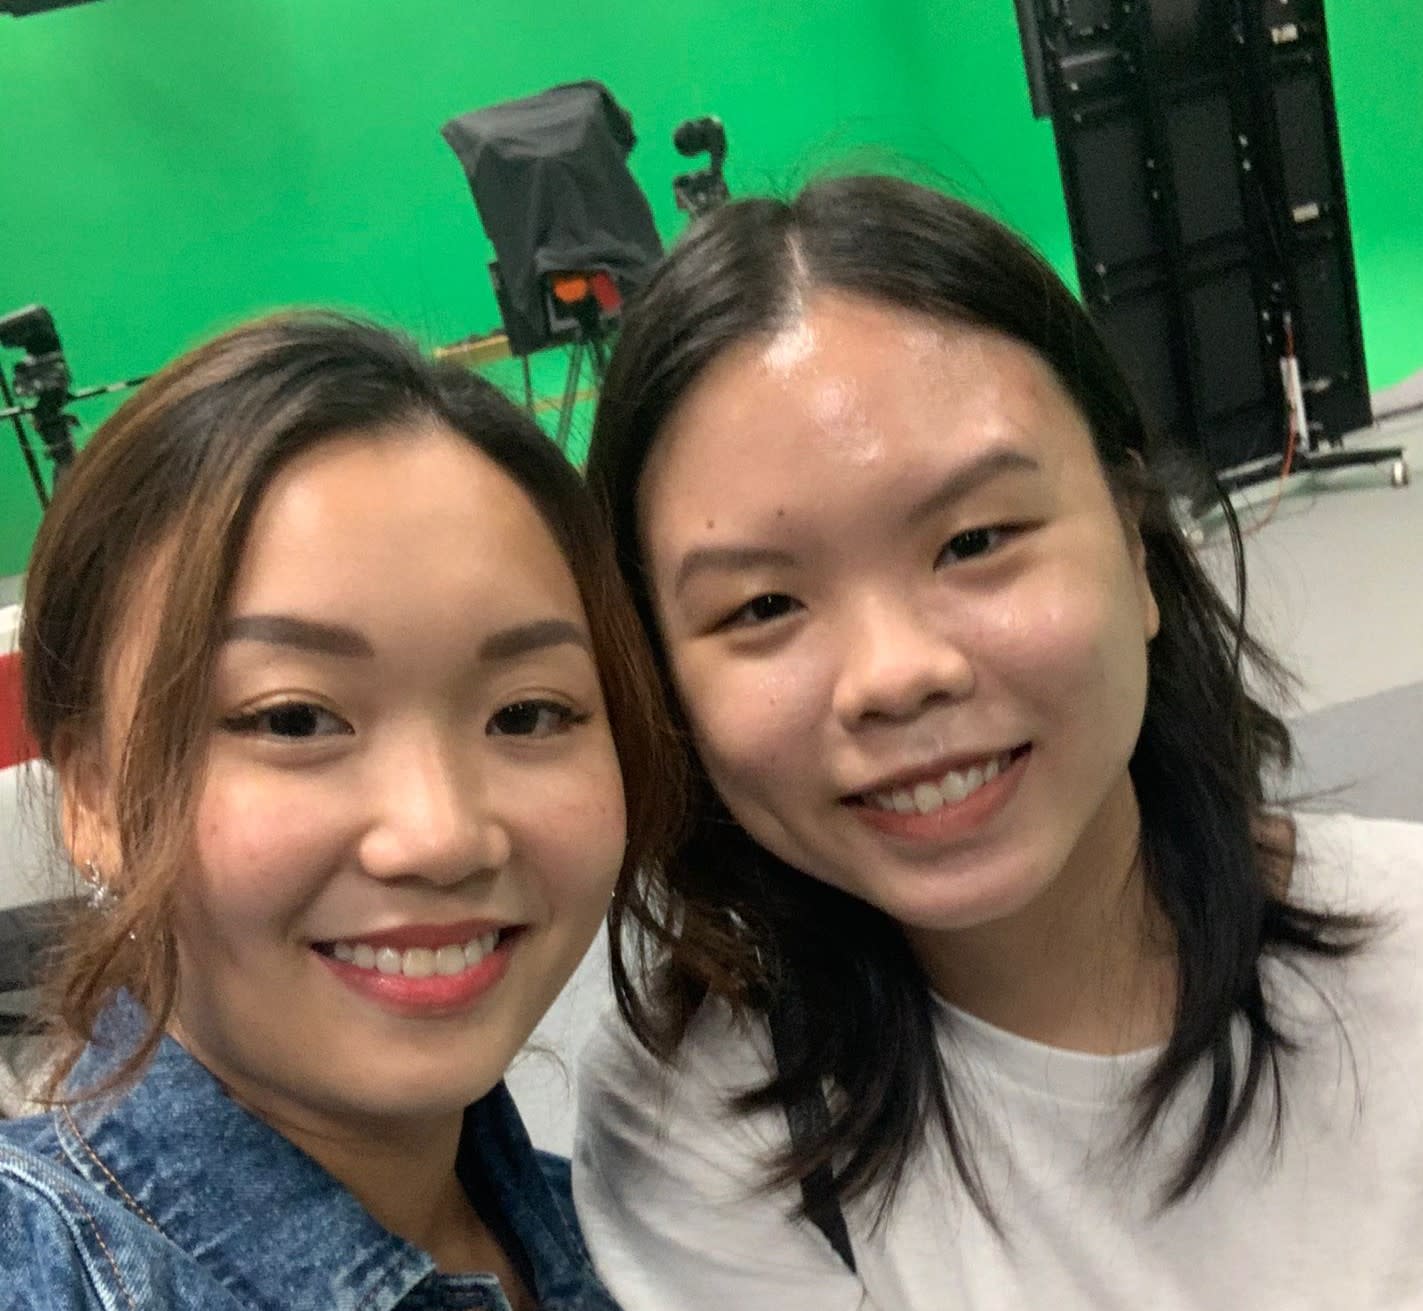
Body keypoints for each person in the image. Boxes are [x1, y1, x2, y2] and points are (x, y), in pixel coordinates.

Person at [572, 175, 1423, 1309]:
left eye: (973, 540)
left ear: (1134, 547)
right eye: (763, 606)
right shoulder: (700, 1127)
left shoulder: (1404, 950)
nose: (894, 674)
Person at [0, 312, 680, 1310]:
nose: (442, 836)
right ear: (93, 796)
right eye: (294, 718)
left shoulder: (635, 1241)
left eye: (527, 712)